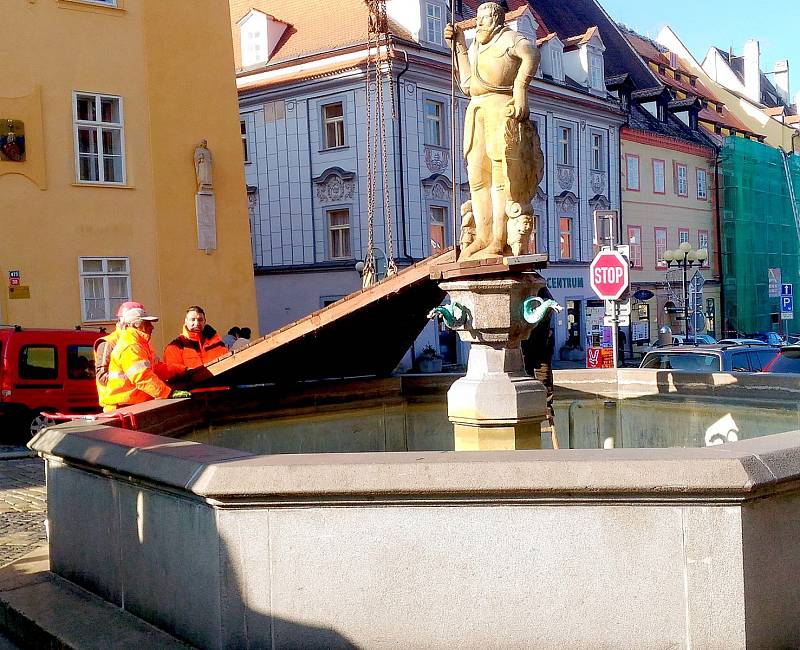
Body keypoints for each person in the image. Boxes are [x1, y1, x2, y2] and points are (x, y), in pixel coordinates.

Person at [445, 2, 542, 260]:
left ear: (497, 19)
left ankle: (498, 240)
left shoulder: (509, 38)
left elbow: (531, 54)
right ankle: (483, 237)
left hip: (501, 109)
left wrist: (520, 88)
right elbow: (467, 84)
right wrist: (459, 47)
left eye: (483, 19)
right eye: (477, 19)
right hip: (476, 111)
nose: (478, 24)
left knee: (502, 180)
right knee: (477, 177)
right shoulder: (476, 45)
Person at [104, 308, 190, 412]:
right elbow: (142, 377)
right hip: (124, 407)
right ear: (136, 325)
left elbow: (155, 368)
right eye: (147, 324)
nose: (152, 327)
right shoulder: (131, 346)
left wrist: (180, 369)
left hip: (130, 404)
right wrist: (167, 393)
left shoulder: (138, 344)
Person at [521, 287, 559, 449]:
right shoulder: (540, 291)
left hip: (536, 342)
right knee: (536, 373)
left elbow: (543, 372)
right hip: (533, 342)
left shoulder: (539, 293)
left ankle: (544, 407)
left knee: (538, 373)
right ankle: (544, 406)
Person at [94, 300, 144, 410]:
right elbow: (102, 377)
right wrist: (134, 378)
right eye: (140, 323)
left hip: (135, 402)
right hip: (116, 406)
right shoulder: (109, 342)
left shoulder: (139, 342)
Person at [164, 306, 228, 370]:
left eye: (200, 320)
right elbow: (172, 370)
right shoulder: (175, 347)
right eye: (192, 320)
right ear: (186, 321)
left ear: (204, 321)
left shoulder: (217, 343)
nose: (197, 323)